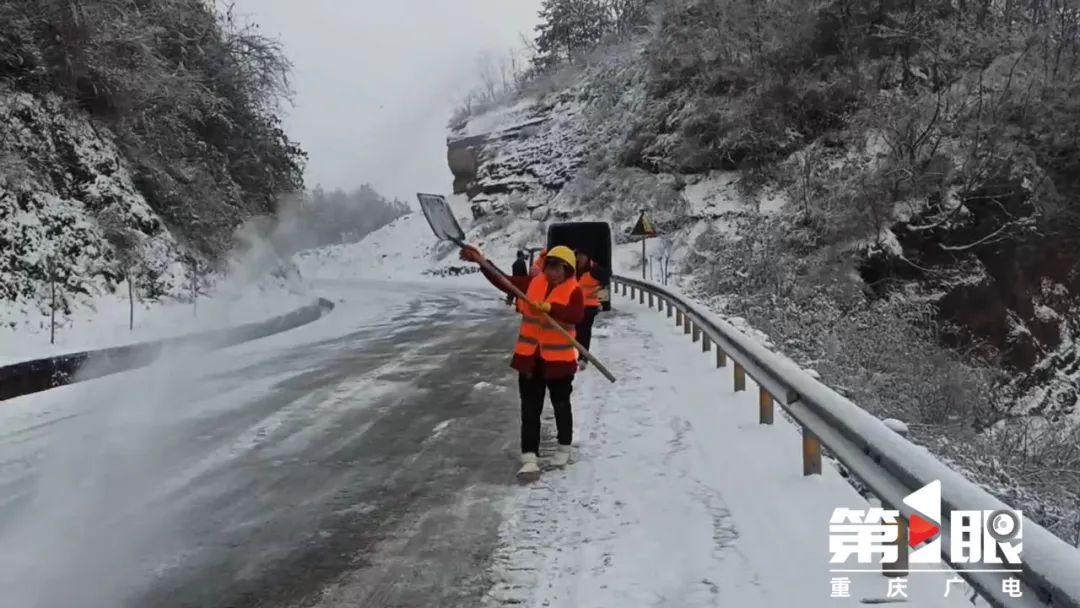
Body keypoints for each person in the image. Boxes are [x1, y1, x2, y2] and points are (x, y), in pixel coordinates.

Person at [459, 244, 583, 479]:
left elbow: (576, 314)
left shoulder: (573, 290)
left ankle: (564, 447)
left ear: (567, 270)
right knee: (530, 409)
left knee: (561, 407)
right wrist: (481, 261)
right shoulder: (533, 284)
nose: (551, 271)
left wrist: (551, 308)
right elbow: (503, 280)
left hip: (559, 363)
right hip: (530, 360)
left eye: (557, 267)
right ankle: (529, 458)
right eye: (549, 266)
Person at [574, 250, 610, 369]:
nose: (580, 258)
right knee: (578, 331)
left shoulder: (594, 269)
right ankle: (581, 355)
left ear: (587, 256)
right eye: (578, 256)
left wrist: (602, 298)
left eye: (582, 256)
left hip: (590, 306)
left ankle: (583, 357)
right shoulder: (575, 268)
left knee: (584, 331)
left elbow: (606, 278)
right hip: (578, 305)